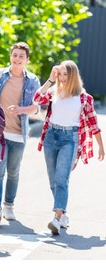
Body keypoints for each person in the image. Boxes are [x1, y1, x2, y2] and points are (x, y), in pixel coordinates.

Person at [33, 60, 104, 235]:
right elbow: (36, 99)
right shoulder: (53, 91)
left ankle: (56, 219)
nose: (63, 78)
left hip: (69, 139)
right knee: (52, 180)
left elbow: (94, 124)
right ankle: (63, 213)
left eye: (66, 74)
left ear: (73, 76)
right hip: (51, 136)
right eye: (60, 74)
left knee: (61, 179)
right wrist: (50, 79)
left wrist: (101, 146)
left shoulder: (84, 98)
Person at [0, 42, 41, 225]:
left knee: (14, 172)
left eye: (21, 56)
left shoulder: (32, 80)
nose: (17, 59)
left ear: (27, 60)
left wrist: (21, 109)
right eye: (15, 55)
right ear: (10, 56)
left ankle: (9, 205)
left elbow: (36, 109)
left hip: (19, 133)